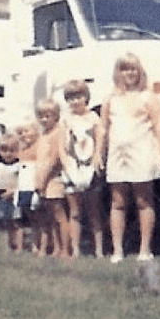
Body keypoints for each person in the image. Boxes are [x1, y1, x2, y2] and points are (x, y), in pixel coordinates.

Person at [100, 52, 160, 263]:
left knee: (143, 201)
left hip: (142, 152)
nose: (129, 73)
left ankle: (145, 249)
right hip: (117, 154)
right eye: (124, 69)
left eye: (133, 69)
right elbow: (103, 127)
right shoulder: (110, 98)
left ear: (139, 71)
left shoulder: (148, 97)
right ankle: (117, 250)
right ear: (118, 73)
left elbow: (159, 127)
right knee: (118, 202)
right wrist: (98, 153)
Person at [59, 79, 105, 258]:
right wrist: (67, 165)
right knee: (75, 212)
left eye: (78, 96)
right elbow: (62, 146)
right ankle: (76, 249)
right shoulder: (65, 119)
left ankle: (99, 250)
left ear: (86, 97)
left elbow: (100, 140)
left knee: (94, 211)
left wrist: (97, 157)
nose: (74, 101)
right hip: (72, 168)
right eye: (70, 98)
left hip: (89, 167)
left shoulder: (93, 117)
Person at [35, 99, 70, 259]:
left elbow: (53, 159)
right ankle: (56, 248)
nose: (43, 120)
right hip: (43, 180)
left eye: (47, 116)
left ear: (56, 116)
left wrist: (42, 180)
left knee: (59, 215)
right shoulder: (43, 134)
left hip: (53, 179)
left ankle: (65, 249)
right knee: (51, 216)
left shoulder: (57, 133)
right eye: (40, 116)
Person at [15, 119, 46, 255]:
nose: (23, 134)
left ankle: (43, 247)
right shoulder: (22, 150)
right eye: (20, 132)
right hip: (24, 187)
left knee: (41, 217)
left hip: (35, 187)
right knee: (31, 218)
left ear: (36, 132)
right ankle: (34, 244)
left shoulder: (39, 146)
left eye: (26, 131)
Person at [0, 133, 21, 254]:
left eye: (12, 151)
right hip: (2, 198)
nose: (8, 154)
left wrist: (14, 191)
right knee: (5, 223)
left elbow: (22, 182)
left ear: (17, 151)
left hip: (15, 198)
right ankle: (8, 246)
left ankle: (18, 247)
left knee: (17, 222)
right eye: (4, 150)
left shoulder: (18, 166)